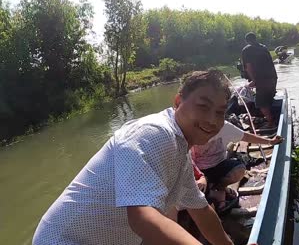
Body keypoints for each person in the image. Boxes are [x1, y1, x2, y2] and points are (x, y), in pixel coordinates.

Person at [33, 70, 233, 245]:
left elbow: (201, 210)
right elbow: (143, 218)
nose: (211, 120)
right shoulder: (153, 133)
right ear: (178, 101)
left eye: (220, 112)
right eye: (203, 106)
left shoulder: (180, 149)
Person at [191, 121, 283, 213]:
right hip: (198, 170)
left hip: (219, 164)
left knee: (239, 169)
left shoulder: (224, 126)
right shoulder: (191, 129)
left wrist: (270, 142)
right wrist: (199, 177)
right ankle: (213, 191)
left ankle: (220, 188)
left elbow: (245, 136)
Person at [241, 32, 278, 127]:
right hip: (273, 77)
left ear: (247, 41)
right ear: (255, 39)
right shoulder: (264, 47)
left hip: (262, 80)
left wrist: (254, 80)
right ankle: (271, 117)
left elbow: (248, 67)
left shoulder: (246, 50)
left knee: (260, 103)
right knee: (269, 98)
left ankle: (271, 123)